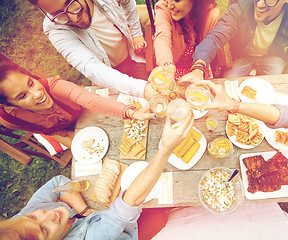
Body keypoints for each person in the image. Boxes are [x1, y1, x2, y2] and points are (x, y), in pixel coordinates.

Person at [0, 111, 195, 240]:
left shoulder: (22, 222)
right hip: (122, 232)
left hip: (100, 212)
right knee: (159, 218)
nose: (48, 214)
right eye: (44, 231)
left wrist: (84, 210)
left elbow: (57, 183)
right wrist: (165, 150)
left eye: (34, 217)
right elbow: (128, 204)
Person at [0, 63, 155, 148]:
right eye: (22, 96)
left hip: (86, 113)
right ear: (10, 106)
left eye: (31, 83)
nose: (37, 93)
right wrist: (69, 138)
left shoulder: (55, 87)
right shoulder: (10, 120)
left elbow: (90, 100)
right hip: (65, 132)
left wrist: (131, 113)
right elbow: (43, 130)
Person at [27, 0, 157, 98]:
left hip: (132, 57)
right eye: (58, 14)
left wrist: (136, 33)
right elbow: (91, 67)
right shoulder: (53, 28)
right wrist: (143, 89)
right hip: (106, 75)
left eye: (71, 3)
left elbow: (128, 3)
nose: (73, 18)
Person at [180, 0, 288, 83]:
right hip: (241, 55)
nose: (260, 4)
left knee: (275, 89)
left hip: (272, 55)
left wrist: (286, 76)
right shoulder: (243, 4)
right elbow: (217, 34)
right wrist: (198, 67)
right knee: (228, 83)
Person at [151, 0, 219, 81]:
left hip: (198, 71)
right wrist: (167, 64)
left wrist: (199, 69)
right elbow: (162, 37)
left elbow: (209, 45)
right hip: (172, 72)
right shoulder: (164, 9)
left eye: (177, 0)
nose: (170, 6)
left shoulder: (210, 14)